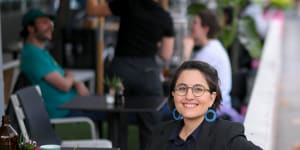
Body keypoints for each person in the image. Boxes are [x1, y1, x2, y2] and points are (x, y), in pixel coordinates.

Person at [86, 0, 175, 149]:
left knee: (117, 121)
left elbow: (93, 11)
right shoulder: (164, 16)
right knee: (151, 124)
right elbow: (166, 55)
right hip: (148, 72)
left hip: (121, 70)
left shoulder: (129, 3)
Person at [146, 60, 262, 150]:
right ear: (173, 94)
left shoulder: (226, 135)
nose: (189, 96)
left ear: (212, 98)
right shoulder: (159, 133)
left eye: (198, 89)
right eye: (182, 88)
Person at [19, 8, 93, 119]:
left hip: (71, 104)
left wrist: (75, 83)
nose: (50, 26)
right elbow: (64, 85)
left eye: (50, 22)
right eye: (44, 23)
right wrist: (72, 79)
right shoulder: (33, 54)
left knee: (108, 105)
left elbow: (63, 74)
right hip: (62, 111)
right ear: (30, 28)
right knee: (111, 111)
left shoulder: (40, 52)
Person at [183, 9, 244, 122]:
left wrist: (186, 51)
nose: (192, 27)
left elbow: (184, 80)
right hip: (215, 105)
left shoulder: (209, 52)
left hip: (214, 111)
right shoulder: (211, 47)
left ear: (205, 29)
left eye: (195, 23)